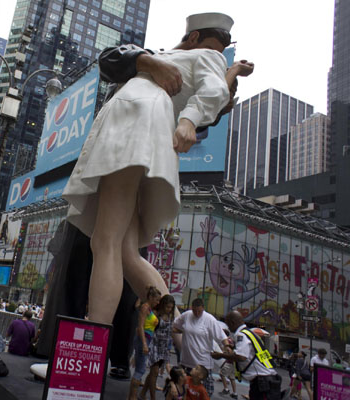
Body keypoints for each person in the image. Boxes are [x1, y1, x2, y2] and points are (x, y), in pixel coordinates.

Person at [62, 12, 253, 326]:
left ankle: (91, 347)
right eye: (215, 45)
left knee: (105, 241)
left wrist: (190, 119)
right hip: (140, 131)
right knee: (125, 252)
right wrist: (231, 71)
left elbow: (215, 90)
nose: (218, 54)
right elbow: (111, 60)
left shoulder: (200, 57)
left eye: (222, 50)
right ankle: (183, 335)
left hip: (133, 127)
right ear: (193, 38)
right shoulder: (173, 57)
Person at [212, 311, 288, 400]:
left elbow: (241, 356)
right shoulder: (250, 333)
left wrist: (221, 355)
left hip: (262, 382)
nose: (228, 327)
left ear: (232, 323)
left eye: (228, 325)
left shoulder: (241, 335)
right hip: (267, 380)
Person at [173, 298, 228, 397]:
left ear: (203, 308)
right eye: (194, 311)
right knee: (186, 391)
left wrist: (227, 346)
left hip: (203, 364)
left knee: (205, 391)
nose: (197, 313)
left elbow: (221, 336)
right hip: (187, 361)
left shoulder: (210, 319)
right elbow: (176, 326)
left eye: (199, 311)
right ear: (191, 308)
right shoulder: (187, 315)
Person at [129, 286, 161, 400]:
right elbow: (141, 327)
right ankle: (132, 397)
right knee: (140, 369)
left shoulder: (149, 308)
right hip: (143, 339)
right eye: (156, 299)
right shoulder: (145, 307)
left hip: (146, 339)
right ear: (151, 297)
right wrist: (144, 344)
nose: (158, 302)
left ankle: (132, 396)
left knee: (140, 368)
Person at [141, 294, 176, 400]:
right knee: (155, 372)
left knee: (153, 373)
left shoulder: (170, 316)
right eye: (167, 307)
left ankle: (142, 393)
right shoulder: (156, 314)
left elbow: (170, 331)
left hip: (164, 347)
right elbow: (148, 328)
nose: (169, 309)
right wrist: (145, 344)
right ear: (162, 305)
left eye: (171, 307)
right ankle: (153, 397)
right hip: (155, 346)